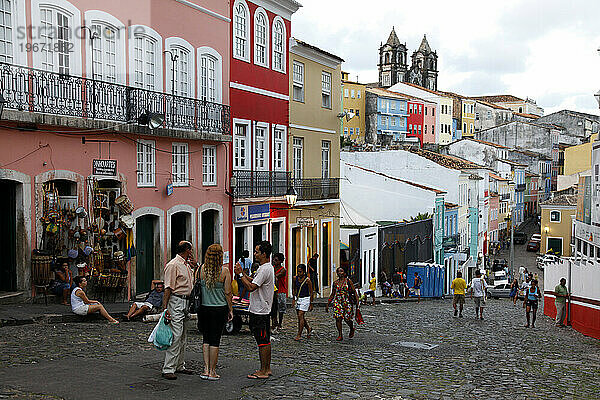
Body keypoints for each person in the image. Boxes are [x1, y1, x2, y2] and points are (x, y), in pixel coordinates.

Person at [234, 241, 275, 380]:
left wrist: (240, 275)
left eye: (257, 251)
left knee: (262, 341)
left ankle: (263, 370)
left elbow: (251, 287)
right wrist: (244, 274)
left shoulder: (264, 269)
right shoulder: (265, 268)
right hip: (262, 309)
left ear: (264, 254)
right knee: (265, 340)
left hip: (260, 311)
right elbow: (254, 281)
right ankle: (266, 368)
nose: (255, 254)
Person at [161, 241, 196, 380]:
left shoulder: (186, 265)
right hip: (176, 301)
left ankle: (179, 364)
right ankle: (168, 368)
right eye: (191, 250)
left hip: (186, 301)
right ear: (187, 250)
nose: (192, 252)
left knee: (183, 336)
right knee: (176, 335)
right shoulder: (173, 265)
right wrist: (165, 308)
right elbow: (168, 287)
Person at [197, 244, 233, 381]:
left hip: (204, 308)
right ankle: (212, 371)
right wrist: (231, 309)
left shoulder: (200, 270)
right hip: (219, 308)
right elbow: (228, 292)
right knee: (215, 340)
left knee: (206, 339)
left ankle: (205, 369)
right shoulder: (224, 272)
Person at [326, 267, 358, 341]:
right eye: (338, 271)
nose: (340, 272)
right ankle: (340, 334)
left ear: (344, 273)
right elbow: (332, 294)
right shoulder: (335, 283)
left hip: (347, 302)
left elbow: (354, 291)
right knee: (338, 318)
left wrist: (357, 302)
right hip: (338, 302)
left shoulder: (348, 281)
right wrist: (328, 303)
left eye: (341, 271)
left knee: (347, 318)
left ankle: (351, 328)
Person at [292, 264, 313, 341]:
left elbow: (311, 292)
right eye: (298, 271)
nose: (299, 273)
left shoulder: (308, 280)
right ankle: (308, 328)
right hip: (298, 298)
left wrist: (311, 303)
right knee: (300, 317)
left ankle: (299, 334)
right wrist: (294, 299)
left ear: (304, 272)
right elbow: (294, 288)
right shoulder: (295, 278)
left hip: (306, 299)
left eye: (300, 272)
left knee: (300, 315)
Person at [273, 253, 287, 332]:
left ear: (280, 261)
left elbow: (276, 276)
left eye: (276, 260)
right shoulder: (273, 268)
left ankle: (280, 323)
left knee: (281, 309)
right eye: (274, 259)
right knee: (274, 308)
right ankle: (275, 322)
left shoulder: (283, 270)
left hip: (281, 291)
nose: (274, 261)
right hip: (274, 291)